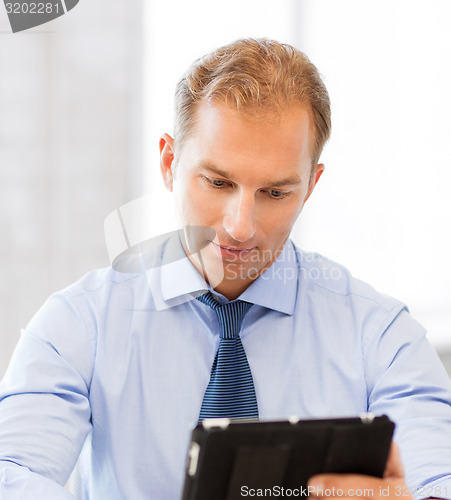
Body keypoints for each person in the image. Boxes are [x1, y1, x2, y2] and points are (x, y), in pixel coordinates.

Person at [0, 38, 450, 500]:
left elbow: (438, 478)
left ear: (311, 186)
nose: (239, 227)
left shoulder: (383, 338)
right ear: (170, 163)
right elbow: (11, 471)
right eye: (218, 182)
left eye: (275, 193)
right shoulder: (78, 326)